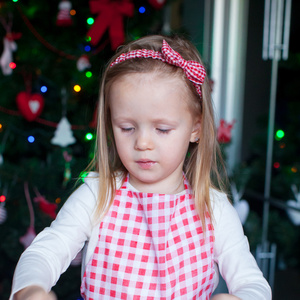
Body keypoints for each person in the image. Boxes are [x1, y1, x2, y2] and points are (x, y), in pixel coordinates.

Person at [10, 35, 271, 300]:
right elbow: (45, 251)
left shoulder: (213, 209)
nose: (142, 143)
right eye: (127, 128)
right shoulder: (97, 196)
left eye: (162, 129)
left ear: (195, 128)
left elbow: (253, 283)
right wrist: (30, 289)